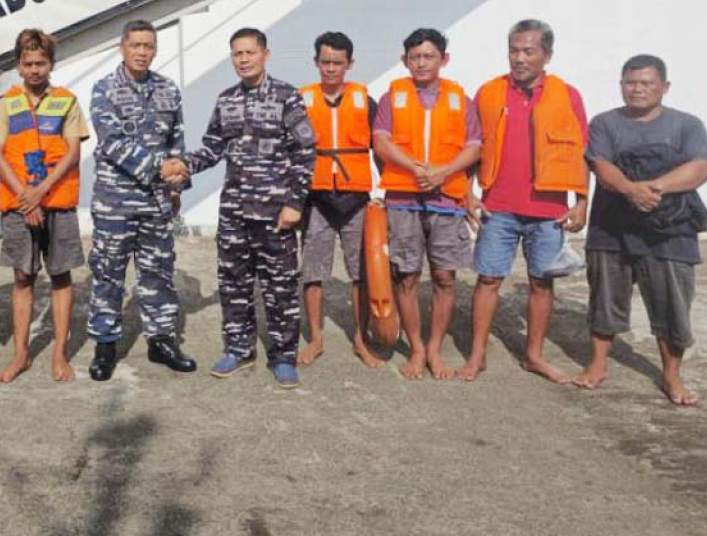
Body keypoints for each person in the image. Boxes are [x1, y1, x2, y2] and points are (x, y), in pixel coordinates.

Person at [174, 28, 315, 389]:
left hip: (275, 212)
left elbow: (304, 154)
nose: (244, 59)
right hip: (235, 210)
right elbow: (211, 148)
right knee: (234, 283)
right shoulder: (226, 100)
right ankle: (239, 348)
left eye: (250, 52)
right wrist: (183, 164)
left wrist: (294, 203)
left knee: (280, 286)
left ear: (265, 54)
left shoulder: (287, 97)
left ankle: (283, 355)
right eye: (237, 54)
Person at [572, 55, 707, 406]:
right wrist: (630, 190)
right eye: (630, 82)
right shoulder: (605, 123)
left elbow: (702, 166)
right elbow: (600, 165)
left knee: (672, 305)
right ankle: (598, 364)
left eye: (646, 83)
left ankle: (671, 374)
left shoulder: (687, 125)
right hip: (612, 226)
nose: (636, 89)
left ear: (664, 87)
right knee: (605, 298)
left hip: (670, 230)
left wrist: (655, 188)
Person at [461, 20, 589, 383]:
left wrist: (582, 202)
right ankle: (477, 355)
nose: (519, 58)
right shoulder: (488, 92)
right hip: (497, 206)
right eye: (514, 50)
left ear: (546, 54)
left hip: (548, 211)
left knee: (541, 283)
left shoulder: (568, 95)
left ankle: (533, 356)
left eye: (528, 51)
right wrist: (467, 193)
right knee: (487, 279)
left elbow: (582, 152)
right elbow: (472, 146)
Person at [86, 20, 197, 382]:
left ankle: (161, 340)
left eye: (148, 45)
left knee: (158, 274)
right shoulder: (104, 89)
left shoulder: (168, 89)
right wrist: (159, 168)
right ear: (122, 47)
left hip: (155, 203)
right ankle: (105, 345)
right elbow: (112, 143)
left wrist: (177, 183)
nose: (142, 51)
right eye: (135, 45)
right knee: (108, 275)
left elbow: (176, 140)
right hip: (115, 202)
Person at [372, 28, 481, 381]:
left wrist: (443, 172)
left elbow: (474, 146)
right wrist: (417, 169)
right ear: (405, 61)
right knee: (406, 275)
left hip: (446, 199)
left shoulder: (461, 100)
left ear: (443, 59)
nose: (421, 63)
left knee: (445, 277)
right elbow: (381, 142)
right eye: (414, 57)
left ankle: (435, 348)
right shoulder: (392, 97)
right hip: (404, 198)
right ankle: (416, 347)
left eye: (429, 56)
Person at [0, 29, 90, 383]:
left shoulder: (67, 101)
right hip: (20, 205)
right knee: (23, 277)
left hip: (57, 203)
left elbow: (73, 152)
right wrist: (25, 197)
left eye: (41, 63)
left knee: (61, 276)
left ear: (52, 64)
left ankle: (59, 356)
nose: (34, 70)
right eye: (28, 63)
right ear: (18, 66)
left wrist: (41, 192)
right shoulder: (6, 103)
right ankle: (21, 355)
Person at [297, 31, 381, 368]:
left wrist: (382, 192)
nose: (331, 69)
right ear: (316, 62)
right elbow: (290, 150)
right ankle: (315, 338)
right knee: (313, 272)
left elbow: (381, 147)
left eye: (338, 63)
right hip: (316, 198)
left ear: (350, 64)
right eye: (325, 62)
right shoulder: (301, 100)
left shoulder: (365, 100)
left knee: (360, 273)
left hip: (356, 198)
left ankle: (360, 339)